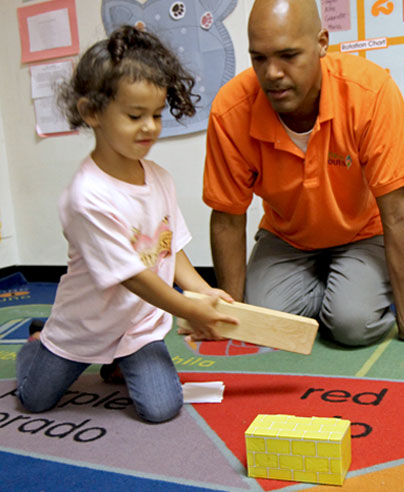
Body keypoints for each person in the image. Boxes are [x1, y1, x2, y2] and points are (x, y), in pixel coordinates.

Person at [202, 0, 404, 347]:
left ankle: (344, 291)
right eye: (259, 58)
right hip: (286, 237)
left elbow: (399, 213)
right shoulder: (230, 108)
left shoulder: (371, 92)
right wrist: (238, 319)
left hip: (362, 234)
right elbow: (227, 218)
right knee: (269, 327)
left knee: (352, 325)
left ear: (322, 43)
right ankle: (333, 287)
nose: (272, 73)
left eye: (288, 55)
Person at [15, 26, 238, 423]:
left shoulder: (159, 177)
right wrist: (189, 307)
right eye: (135, 116)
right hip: (84, 325)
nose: (150, 127)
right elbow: (133, 276)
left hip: (139, 321)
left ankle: (119, 360)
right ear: (92, 112)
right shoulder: (86, 197)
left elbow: (170, 246)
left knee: (161, 408)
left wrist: (204, 291)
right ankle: (38, 341)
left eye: (156, 114)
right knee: (34, 399)